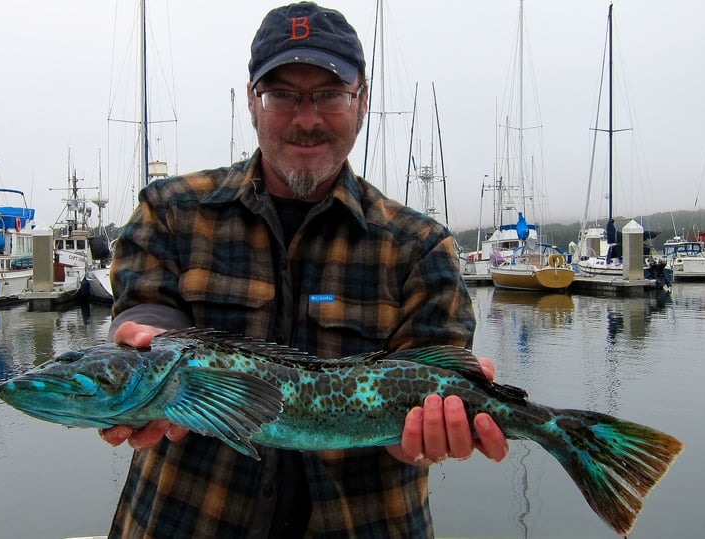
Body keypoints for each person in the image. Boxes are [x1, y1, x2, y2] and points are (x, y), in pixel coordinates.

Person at [99, 2, 508, 536]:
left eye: (329, 94)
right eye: (282, 94)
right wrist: (146, 340)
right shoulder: (169, 211)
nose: (307, 118)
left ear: (361, 101)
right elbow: (147, 309)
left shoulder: (421, 248)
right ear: (251, 101)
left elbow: (417, 412)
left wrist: (426, 437)